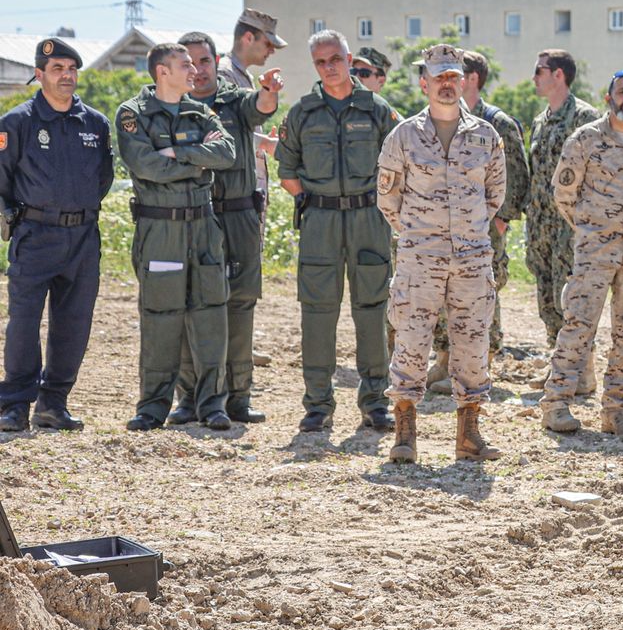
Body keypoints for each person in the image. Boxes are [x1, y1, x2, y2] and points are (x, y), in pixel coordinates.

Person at [377, 45, 505, 463]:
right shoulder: (403, 136)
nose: (447, 84)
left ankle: (469, 434)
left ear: (464, 82)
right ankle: (405, 434)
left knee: (473, 342)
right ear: (424, 84)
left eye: (453, 76)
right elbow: (388, 199)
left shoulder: (486, 136)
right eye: (439, 78)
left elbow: (494, 195)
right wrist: (421, 234)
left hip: (471, 258)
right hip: (420, 257)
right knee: (411, 341)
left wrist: (465, 231)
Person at [276, 29, 402, 434]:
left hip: (369, 219)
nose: (329, 67)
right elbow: (287, 171)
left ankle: (375, 402)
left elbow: (400, 164)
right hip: (320, 222)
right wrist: (316, 200)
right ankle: (317, 404)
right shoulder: (302, 113)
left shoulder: (377, 109)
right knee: (317, 313)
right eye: (320, 62)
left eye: (335, 59)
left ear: (349, 60)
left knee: (372, 310)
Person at [540, 69, 623, 436]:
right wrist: (591, 227)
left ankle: (616, 411)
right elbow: (564, 193)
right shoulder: (585, 139)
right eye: (621, 91)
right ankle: (556, 405)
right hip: (594, 254)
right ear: (608, 98)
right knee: (578, 326)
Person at [116, 43, 237, 432]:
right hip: (160, 230)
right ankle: (152, 407)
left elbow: (227, 153)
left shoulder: (201, 112)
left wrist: (177, 152)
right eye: (185, 65)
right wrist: (197, 161)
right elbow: (146, 166)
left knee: (211, 313)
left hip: (203, 227)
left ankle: (212, 405)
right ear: (162, 71)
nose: (194, 71)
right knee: (161, 317)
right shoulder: (134, 113)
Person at [0, 38, 114, 433]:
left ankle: (53, 403)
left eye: (71, 69)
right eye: (57, 69)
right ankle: (15, 404)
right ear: (39, 74)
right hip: (35, 235)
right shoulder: (17, 122)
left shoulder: (95, 124)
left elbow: (103, 179)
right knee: (24, 322)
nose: (66, 76)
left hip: (83, 238)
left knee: (74, 323)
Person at [170, 32, 283, 425]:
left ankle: (238, 397)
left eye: (204, 61)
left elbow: (261, 107)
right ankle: (189, 398)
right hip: (192, 217)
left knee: (240, 304)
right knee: (188, 304)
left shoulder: (234, 101)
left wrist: (269, 92)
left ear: (216, 61)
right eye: (190, 63)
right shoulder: (171, 106)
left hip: (238, 215)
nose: (198, 70)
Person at [419, 49, 529, 385]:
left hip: (483, 225)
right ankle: (444, 359)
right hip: (445, 224)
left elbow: (516, 176)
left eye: (454, 74)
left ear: (471, 79)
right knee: (444, 288)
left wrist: (500, 219)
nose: (446, 80)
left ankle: (484, 362)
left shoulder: (496, 122)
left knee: (483, 290)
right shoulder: (439, 119)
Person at [516, 49, 601, 359]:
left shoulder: (585, 118)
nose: (534, 78)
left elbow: (598, 173)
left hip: (571, 226)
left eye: (539, 71)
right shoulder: (540, 121)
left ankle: (579, 365)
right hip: (541, 227)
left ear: (558, 75)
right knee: (547, 300)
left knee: (571, 298)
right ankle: (558, 362)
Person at [218, 8, 286, 246]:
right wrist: (266, 144)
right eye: (268, 43)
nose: (271, 51)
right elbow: (222, 134)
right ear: (248, 38)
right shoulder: (225, 74)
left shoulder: (241, 75)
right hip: (233, 197)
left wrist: (262, 139)